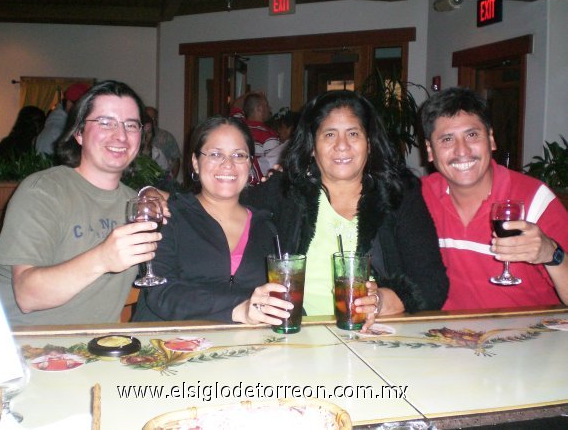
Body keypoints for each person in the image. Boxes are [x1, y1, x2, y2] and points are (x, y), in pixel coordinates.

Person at [239, 90, 448, 320]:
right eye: (329, 135)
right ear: (311, 145)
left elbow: (432, 285)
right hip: (297, 336)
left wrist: (381, 301)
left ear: (369, 143)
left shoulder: (398, 196)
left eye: (353, 133)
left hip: (372, 340)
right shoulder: (285, 192)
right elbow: (221, 208)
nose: (342, 145)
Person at [0, 80, 162, 326]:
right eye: (105, 122)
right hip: (25, 345)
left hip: (97, 348)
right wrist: (103, 258)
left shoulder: (134, 204)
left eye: (131, 125)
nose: (121, 135)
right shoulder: (43, 191)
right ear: (79, 132)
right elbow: (27, 296)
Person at [133, 116, 292, 325]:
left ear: (250, 165)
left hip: (246, 348)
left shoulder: (267, 228)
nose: (228, 165)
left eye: (239, 155)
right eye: (216, 154)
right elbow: (161, 293)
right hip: (172, 344)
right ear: (195, 163)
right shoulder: (169, 217)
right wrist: (239, 308)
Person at [420, 87, 568, 310]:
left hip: (528, 339)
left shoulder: (535, 200)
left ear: (491, 139)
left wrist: (551, 253)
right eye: (447, 139)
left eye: (472, 135)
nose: (462, 151)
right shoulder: (418, 198)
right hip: (450, 337)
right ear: (430, 151)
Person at [233, 92, 281, 179]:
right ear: (259, 109)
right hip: (256, 187)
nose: (270, 108)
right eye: (267, 105)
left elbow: (236, 104)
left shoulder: (236, 126)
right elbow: (273, 168)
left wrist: (253, 93)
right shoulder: (269, 136)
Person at [35, 82, 90, 156]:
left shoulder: (61, 125)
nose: (84, 111)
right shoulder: (56, 131)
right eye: (82, 106)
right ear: (69, 103)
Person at [145, 106, 182, 179]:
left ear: (156, 120)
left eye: (153, 118)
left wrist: (172, 182)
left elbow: (176, 160)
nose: (150, 121)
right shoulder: (135, 136)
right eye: (147, 118)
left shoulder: (166, 137)